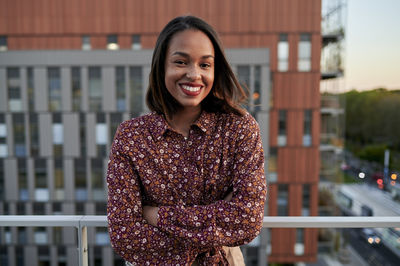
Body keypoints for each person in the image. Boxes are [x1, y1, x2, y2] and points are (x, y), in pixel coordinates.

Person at [107, 15, 267, 265]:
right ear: (161, 67)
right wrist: (212, 233)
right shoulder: (131, 137)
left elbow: (247, 220)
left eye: (205, 65)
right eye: (181, 62)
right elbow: (125, 236)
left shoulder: (239, 129)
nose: (194, 74)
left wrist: (156, 216)